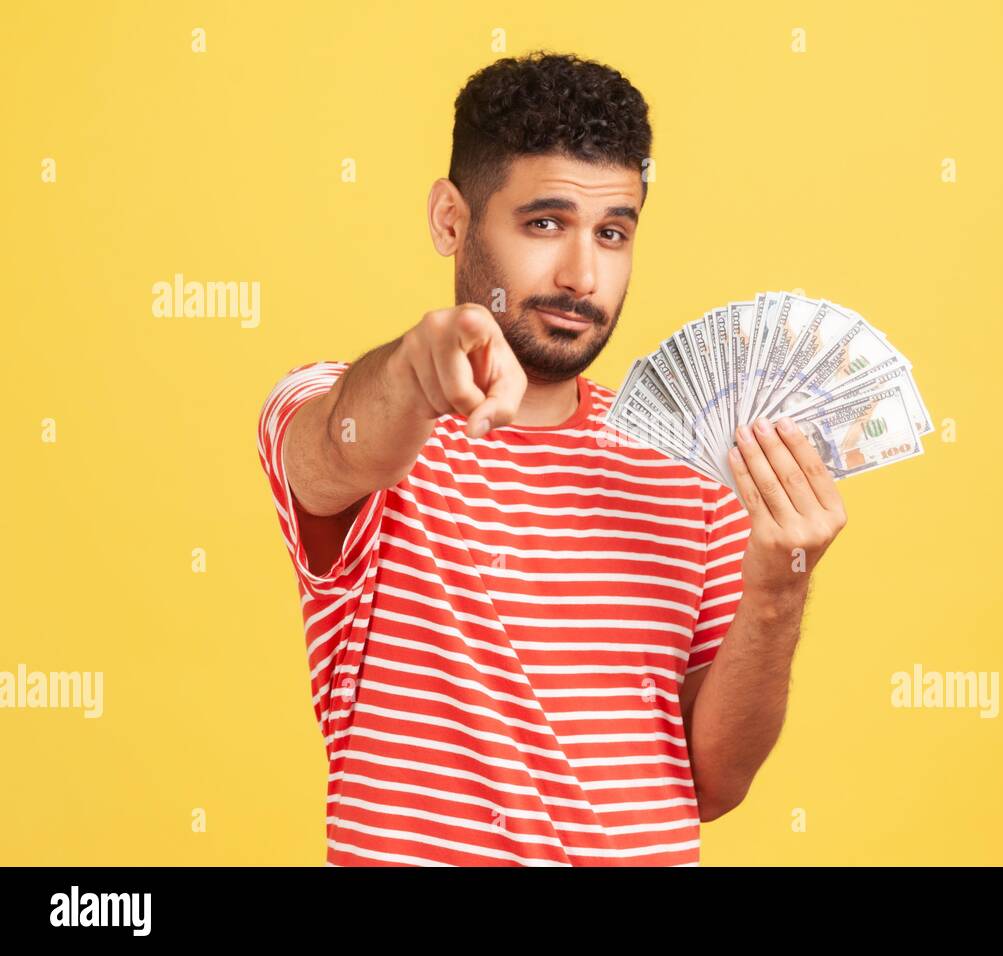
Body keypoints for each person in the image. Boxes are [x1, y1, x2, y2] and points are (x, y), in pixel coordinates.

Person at [256, 50, 848, 866]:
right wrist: (415, 366)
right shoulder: (350, 417)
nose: (581, 275)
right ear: (450, 221)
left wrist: (780, 586)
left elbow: (713, 782)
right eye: (545, 224)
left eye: (612, 234)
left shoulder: (689, 467)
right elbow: (332, 452)